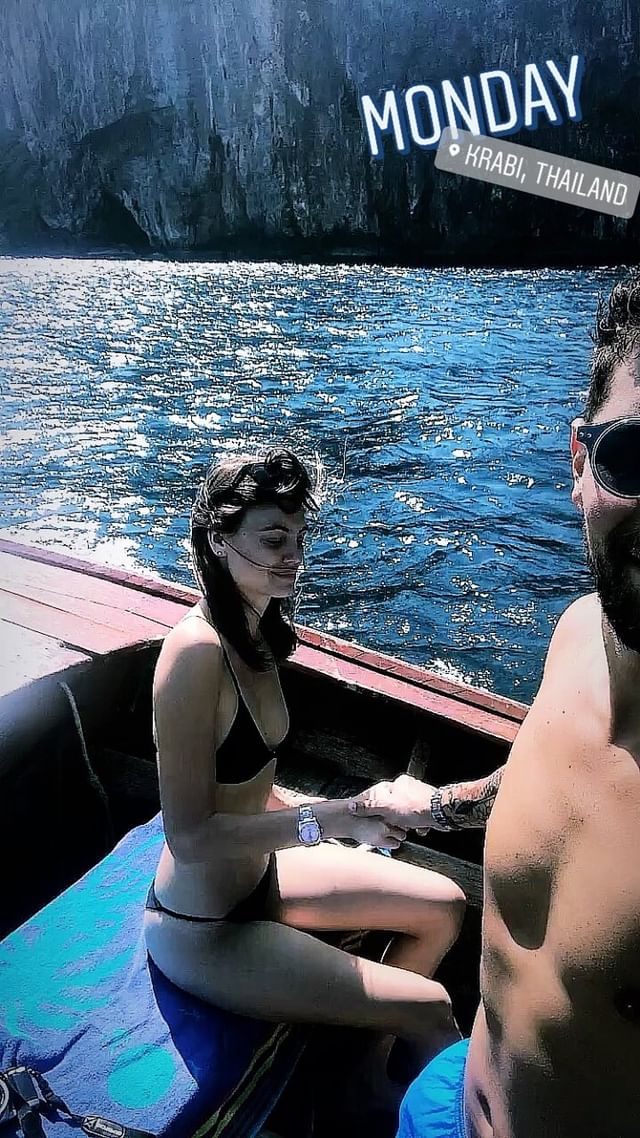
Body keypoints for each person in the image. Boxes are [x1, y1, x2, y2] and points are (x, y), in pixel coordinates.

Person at [389, 274, 640, 1138]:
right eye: (635, 456)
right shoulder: (575, 634)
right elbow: (534, 777)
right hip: (452, 1101)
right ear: (579, 465)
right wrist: (432, 806)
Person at [143, 447, 465, 1111]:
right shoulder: (195, 654)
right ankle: (393, 1104)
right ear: (220, 539)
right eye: (272, 539)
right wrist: (334, 817)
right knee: (433, 1007)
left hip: (264, 877)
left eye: (298, 537)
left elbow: (249, 781)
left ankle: (360, 1074)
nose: (293, 555)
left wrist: (342, 824)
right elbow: (191, 836)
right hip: (205, 926)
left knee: (446, 906)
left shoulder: (256, 631)